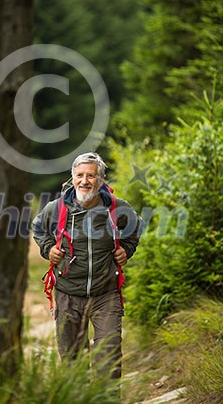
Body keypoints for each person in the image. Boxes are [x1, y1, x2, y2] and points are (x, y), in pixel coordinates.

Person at [32, 152, 142, 390]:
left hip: (106, 294)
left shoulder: (116, 208)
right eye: (79, 175)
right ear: (72, 178)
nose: (85, 181)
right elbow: (38, 228)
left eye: (91, 176)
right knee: (73, 362)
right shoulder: (57, 208)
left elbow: (135, 226)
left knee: (109, 356)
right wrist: (48, 249)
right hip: (67, 293)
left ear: (100, 180)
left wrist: (127, 249)